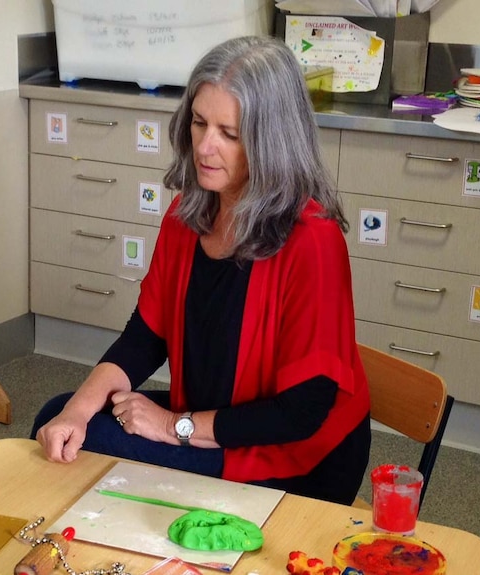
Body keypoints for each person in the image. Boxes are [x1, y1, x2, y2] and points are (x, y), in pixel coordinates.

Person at [33, 35, 371, 505]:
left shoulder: (312, 240)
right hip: (217, 418)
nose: (206, 147)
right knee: (60, 419)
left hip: (294, 458)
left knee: (90, 442)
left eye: (229, 134)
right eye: (198, 123)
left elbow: (302, 413)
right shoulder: (186, 215)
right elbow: (145, 337)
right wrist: (75, 410)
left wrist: (173, 427)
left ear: (271, 140)